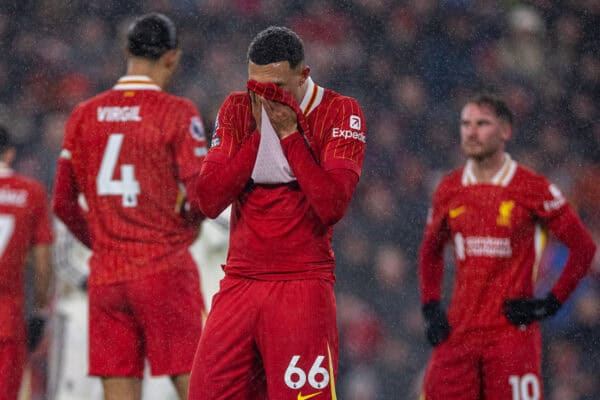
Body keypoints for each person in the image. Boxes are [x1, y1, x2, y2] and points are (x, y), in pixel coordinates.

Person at [188, 26, 367, 399]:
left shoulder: (339, 111)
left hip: (301, 286)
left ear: (304, 75)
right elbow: (207, 200)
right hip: (240, 282)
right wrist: (257, 136)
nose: (265, 96)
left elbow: (332, 204)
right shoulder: (239, 109)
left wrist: (289, 136)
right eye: (256, 86)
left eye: (277, 87)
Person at [52, 13, 207, 400]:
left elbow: (62, 201)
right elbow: (202, 194)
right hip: (164, 269)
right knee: (199, 386)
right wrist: (190, 225)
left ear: (127, 51)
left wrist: (103, 242)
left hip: (107, 278)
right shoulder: (177, 112)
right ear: (172, 58)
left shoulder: (84, 115)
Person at [418, 94, 597, 400]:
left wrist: (550, 303)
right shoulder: (449, 188)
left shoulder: (533, 188)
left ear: (505, 131)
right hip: (459, 334)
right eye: (466, 124)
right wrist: (432, 306)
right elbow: (430, 250)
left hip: (509, 336)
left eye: (482, 124)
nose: (471, 132)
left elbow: (583, 248)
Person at [0, 125, 53, 400]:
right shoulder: (30, 192)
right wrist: (40, 310)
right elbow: (43, 263)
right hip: (8, 319)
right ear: (9, 155)